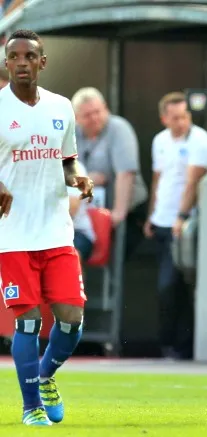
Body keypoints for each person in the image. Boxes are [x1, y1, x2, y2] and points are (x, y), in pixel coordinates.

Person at [0, 30, 94, 426]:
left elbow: (68, 159)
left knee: (71, 320)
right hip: (14, 234)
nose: (21, 62)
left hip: (57, 231)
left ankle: (45, 376)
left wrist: (78, 176)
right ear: (6, 63)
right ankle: (30, 406)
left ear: (43, 62)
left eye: (29, 56)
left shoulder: (61, 107)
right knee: (28, 321)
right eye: (14, 56)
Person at [144, 92, 207, 360]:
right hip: (162, 222)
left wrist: (182, 217)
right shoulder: (160, 141)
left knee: (175, 285)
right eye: (175, 118)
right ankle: (170, 344)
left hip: (185, 225)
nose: (182, 122)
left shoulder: (200, 140)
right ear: (164, 119)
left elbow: (192, 182)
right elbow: (158, 179)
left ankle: (182, 345)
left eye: (185, 116)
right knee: (168, 287)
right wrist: (152, 215)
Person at [72, 87, 147, 257]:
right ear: (76, 118)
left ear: (105, 108)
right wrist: (89, 180)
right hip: (87, 211)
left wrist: (118, 213)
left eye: (97, 112)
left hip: (125, 210)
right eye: (87, 115)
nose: (94, 118)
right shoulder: (72, 134)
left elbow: (125, 174)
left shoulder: (118, 128)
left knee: (115, 256)